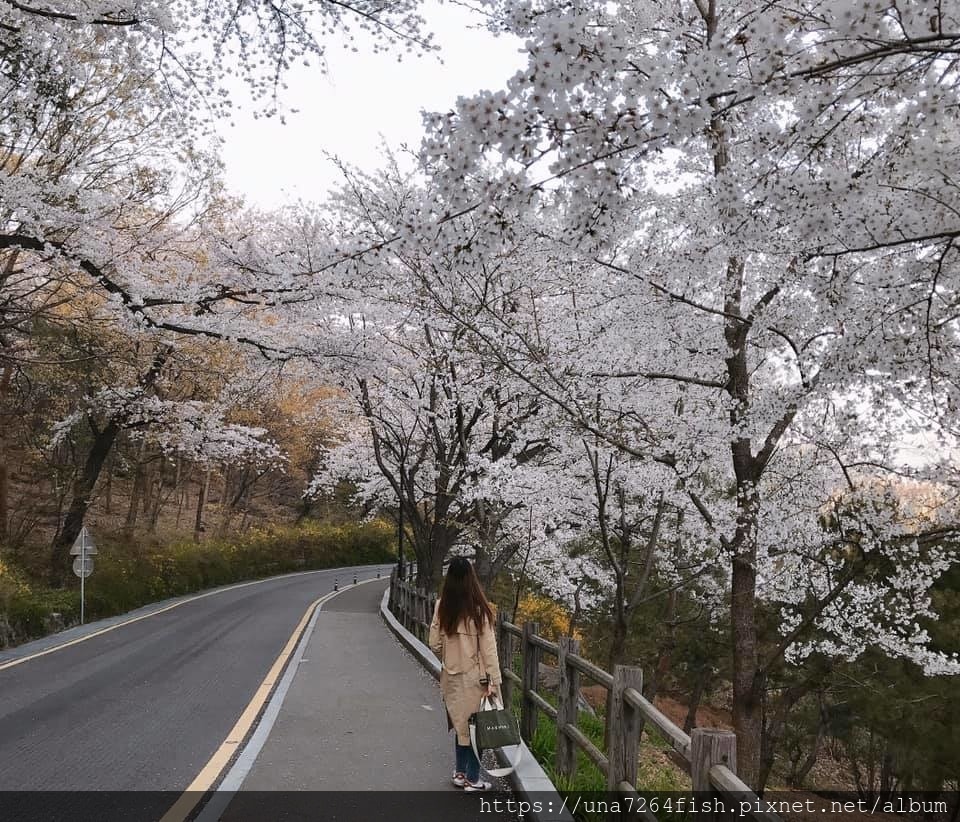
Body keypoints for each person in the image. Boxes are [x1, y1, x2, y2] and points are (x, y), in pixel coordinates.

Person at [429, 556, 502, 792]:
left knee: (460, 724)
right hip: (476, 678)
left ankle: (460, 773)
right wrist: (493, 681)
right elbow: (489, 651)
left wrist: (449, 657)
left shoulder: (442, 606)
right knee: (476, 729)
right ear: (471, 579)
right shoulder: (480, 610)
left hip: (451, 676)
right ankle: (472, 777)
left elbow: (434, 643)